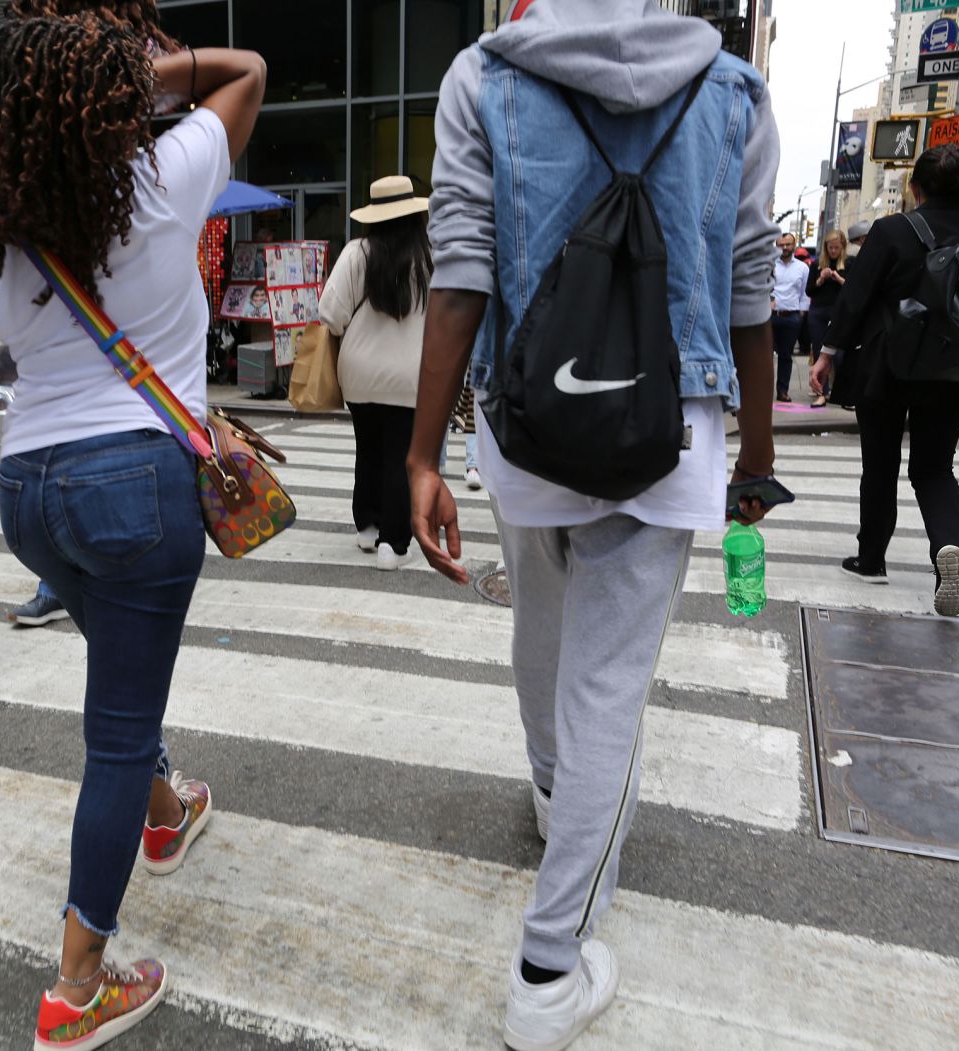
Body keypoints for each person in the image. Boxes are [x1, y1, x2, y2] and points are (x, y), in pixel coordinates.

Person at [409, 2, 780, 1047]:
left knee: (540, 626)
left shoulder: (480, 78)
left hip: (529, 419)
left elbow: (460, 270)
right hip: (669, 426)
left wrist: (419, 451)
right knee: (609, 683)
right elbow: (750, 288)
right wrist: (754, 454)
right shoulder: (735, 92)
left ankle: (550, 798)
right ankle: (547, 965)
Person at [0, 17, 264, 1049]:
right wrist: (149, 74)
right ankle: (78, 985)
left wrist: (38, 377)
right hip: (137, 492)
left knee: (121, 677)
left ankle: (167, 808)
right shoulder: (167, 174)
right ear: (116, 96)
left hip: (30, 492)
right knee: (114, 730)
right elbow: (245, 70)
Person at [810, 144, 959, 616]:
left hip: (887, 366)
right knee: (935, 468)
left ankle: (871, 557)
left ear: (914, 189)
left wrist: (827, 354)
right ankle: (947, 552)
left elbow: (856, 296)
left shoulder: (892, 230)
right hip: (954, 370)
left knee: (880, 465)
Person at [318, 175, 432, 570]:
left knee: (368, 448)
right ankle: (393, 545)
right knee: (400, 456)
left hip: (359, 374)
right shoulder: (428, 259)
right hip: (410, 376)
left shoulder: (355, 253)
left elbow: (329, 315)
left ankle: (367, 525)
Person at [805, 229, 848, 408]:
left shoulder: (849, 264)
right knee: (818, 350)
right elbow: (809, 291)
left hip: (839, 312)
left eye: (836, 248)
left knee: (840, 355)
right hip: (818, 311)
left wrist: (838, 278)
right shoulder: (816, 265)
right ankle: (822, 392)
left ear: (842, 247)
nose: (833, 251)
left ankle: (843, 393)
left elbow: (854, 290)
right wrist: (820, 280)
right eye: (830, 247)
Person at [771, 231, 807, 401]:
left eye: (788, 244)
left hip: (791, 317)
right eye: (781, 245)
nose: (784, 248)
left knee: (786, 356)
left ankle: (782, 391)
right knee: (764, 356)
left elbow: (804, 293)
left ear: (794, 245)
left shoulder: (802, 268)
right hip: (769, 316)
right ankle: (761, 390)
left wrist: (801, 313)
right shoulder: (769, 265)